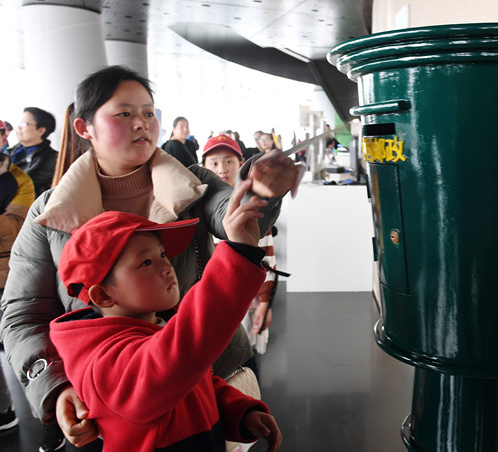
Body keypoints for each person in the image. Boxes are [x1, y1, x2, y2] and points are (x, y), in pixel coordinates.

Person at [0, 65, 302, 450]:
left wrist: (260, 191)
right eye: (124, 113)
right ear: (83, 128)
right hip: (106, 403)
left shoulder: (190, 183)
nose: (142, 123)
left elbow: (232, 213)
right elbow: (23, 311)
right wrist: (54, 387)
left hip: (213, 375)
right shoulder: (51, 213)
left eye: (148, 112)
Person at [50, 179, 282, 451]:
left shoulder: (158, 326)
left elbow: (195, 385)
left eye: (162, 254)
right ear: (102, 295)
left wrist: (239, 413)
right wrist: (238, 255)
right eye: (146, 262)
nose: (166, 266)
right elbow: (183, 352)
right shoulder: (105, 364)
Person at [201, 135, 280, 361]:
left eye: (229, 161)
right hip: (212, 306)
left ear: (241, 164)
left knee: (246, 359)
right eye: (214, 163)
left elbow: (267, 259)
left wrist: (265, 302)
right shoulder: (199, 208)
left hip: (247, 305)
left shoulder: (253, 210)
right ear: (203, 167)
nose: (222, 169)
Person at [0, 153, 35, 434]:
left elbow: (13, 227)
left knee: (21, 339)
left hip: (8, 272)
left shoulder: (18, 179)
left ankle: (45, 414)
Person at [9, 107, 58, 197]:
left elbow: (19, 184)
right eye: (19, 123)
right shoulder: (11, 150)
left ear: (40, 131)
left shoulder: (51, 158)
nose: (18, 127)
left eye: (24, 124)